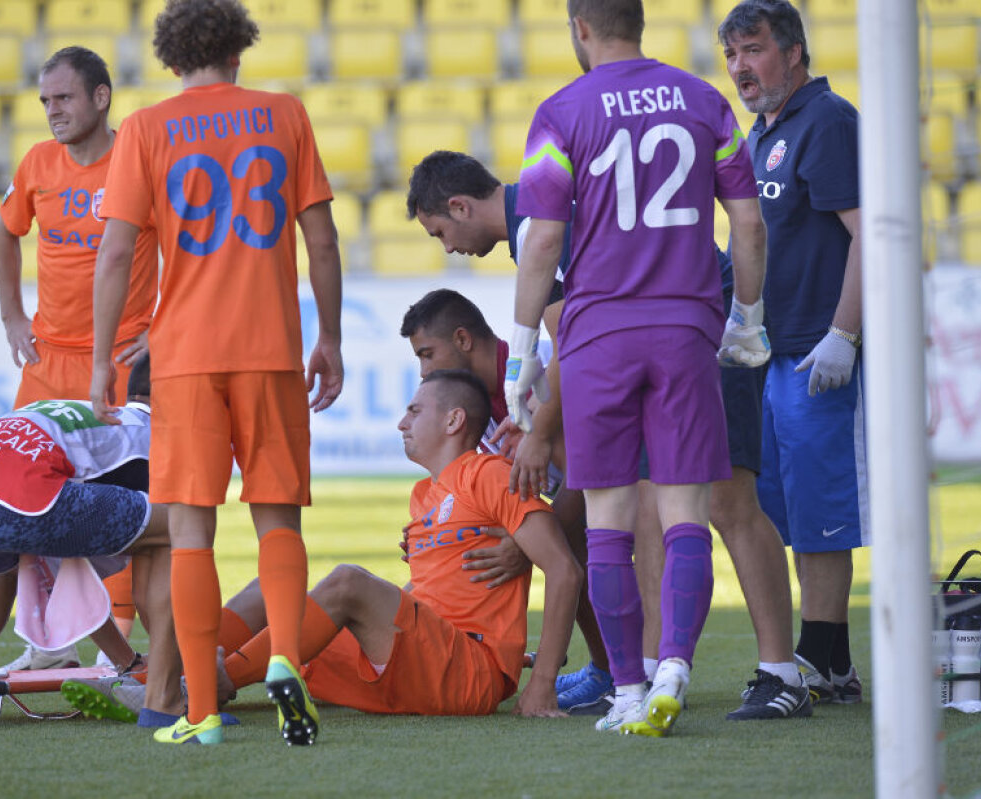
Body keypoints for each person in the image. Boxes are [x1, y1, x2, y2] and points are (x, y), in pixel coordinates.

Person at [407, 152, 806, 721]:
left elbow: (571, 343)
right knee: (644, 496)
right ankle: (642, 670)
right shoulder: (534, 218)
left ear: (460, 205)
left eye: (441, 231)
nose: (447, 247)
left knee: (726, 497)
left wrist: (540, 430)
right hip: (659, 323)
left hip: (699, 313)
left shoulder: (538, 221)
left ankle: (780, 671)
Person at [508, 0, 771, 737]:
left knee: (611, 522)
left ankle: (627, 685)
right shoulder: (704, 101)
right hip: (687, 327)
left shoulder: (562, 111)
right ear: (640, 23)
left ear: (580, 28)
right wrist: (747, 319)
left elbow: (542, 239)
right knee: (687, 512)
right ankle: (676, 668)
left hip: (598, 336)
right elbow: (748, 223)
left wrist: (524, 348)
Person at [90, 0, 344, 746]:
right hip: (269, 349)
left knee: (192, 534)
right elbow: (321, 241)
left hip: (185, 359)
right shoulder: (285, 114)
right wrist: (328, 335)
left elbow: (114, 254)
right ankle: (286, 660)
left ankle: (200, 711)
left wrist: (105, 355)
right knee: (278, 518)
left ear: (170, 61)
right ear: (239, 51)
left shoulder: (143, 128)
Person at [216, 370, 581, 718]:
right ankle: (174, 675)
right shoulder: (423, 495)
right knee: (269, 594)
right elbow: (430, 595)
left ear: (453, 421)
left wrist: (542, 683)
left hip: (469, 672)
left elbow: (565, 570)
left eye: (414, 411)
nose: (401, 423)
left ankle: (219, 681)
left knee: (349, 582)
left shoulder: (489, 474)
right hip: (419, 657)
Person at [0, 46, 159, 675]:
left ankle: (123, 650)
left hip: (119, 364)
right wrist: (11, 316)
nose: (52, 111)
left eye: (63, 98)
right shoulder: (38, 163)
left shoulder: (139, 164)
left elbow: (190, 253)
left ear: (100, 97)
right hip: (48, 361)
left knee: (118, 508)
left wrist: (162, 329)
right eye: (45, 102)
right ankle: (49, 642)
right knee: (20, 500)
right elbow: (4, 232)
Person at [397, 284, 647, 716]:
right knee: (560, 543)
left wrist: (523, 544)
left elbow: (586, 481)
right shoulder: (490, 396)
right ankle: (608, 670)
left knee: (568, 547)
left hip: (646, 479)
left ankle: (624, 672)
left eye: (427, 354)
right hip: (610, 490)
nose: (423, 371)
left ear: (462, 340)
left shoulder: (535, 384)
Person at [719, 0, 866, 705]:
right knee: (785, 508)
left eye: (753, 50)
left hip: (817, 350)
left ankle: (809, 658)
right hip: (771, 353)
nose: (741, 68)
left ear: (794, 51)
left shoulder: (829, 123)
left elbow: (870, 234)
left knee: (821, 509)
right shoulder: (760, 132)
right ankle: (833, 664)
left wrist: (847, 333)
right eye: (732, 57)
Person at [0, 358, 183, 730]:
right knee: (179, 526)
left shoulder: (89, 413)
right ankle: (166, 694)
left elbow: (66, 571)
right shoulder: (149, 435)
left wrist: (125, 661)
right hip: (19, 500)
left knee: (13, 568)